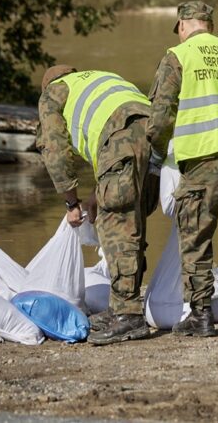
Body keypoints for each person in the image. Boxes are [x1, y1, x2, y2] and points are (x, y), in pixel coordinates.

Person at [146, 1, 218, 337]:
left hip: (202, 159)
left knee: (195, 238)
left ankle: (200, 316)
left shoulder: (178, 55)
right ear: (209, 24)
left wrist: (156, 155)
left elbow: (161, 117)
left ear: (183, 25)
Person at [36, 65, 156, 345]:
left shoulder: (52, 94)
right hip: (154, 131)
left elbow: (54, 149)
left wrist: (71, 202)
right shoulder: (98, 79)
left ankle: (128, 315)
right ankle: (120, 306)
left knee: (117, 221)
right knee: (132, 216)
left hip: (120, 134)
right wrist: (94, 195)